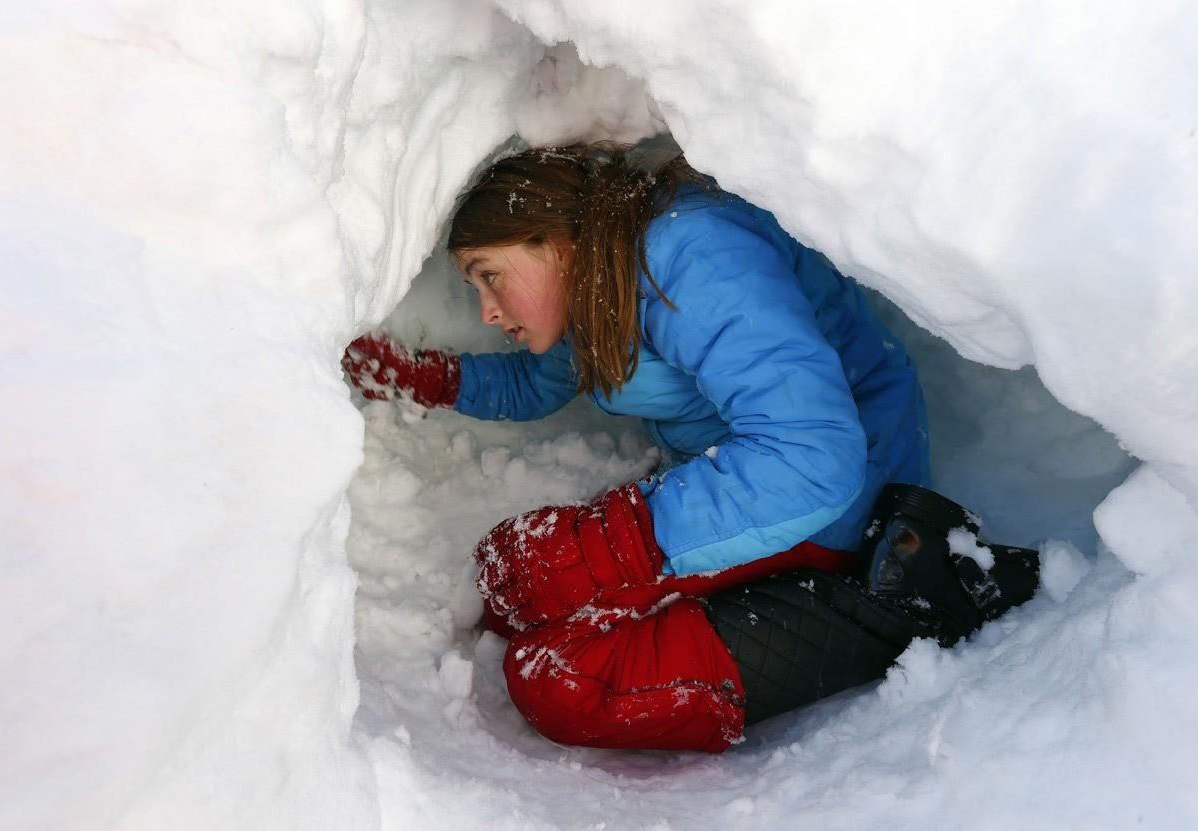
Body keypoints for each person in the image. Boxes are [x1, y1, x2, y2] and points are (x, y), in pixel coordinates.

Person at [343, 144, 1038, 752]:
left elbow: (812, 455)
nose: (487, 310)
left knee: (562, 677)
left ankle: (892, 604)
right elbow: (537, 380)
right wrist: (429, 379)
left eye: (489, 274)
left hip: (841, 503)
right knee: (508, 589)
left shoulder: (694, 255)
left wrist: (615, 539)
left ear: (555, 241)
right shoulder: (595, 291)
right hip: (757, 489)